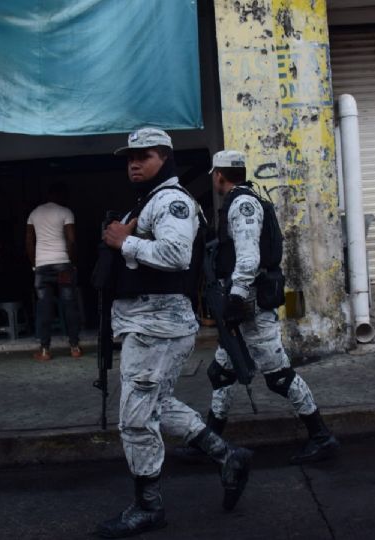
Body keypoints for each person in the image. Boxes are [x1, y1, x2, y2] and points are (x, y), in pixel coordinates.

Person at [95, 128, 254, 538]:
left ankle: (148, 506)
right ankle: (228, 456)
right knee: (157, 404)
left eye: (142, 156)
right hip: (149, 323)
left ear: (164, 157)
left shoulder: (172, 201)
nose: (133, 163)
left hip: (157, 326)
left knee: (134, 421)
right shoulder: (149, 201)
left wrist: (122, 243)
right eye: (129, 157)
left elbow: (174, 255)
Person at [205, 150, 340, 464]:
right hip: (243, 302)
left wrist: (236, 297)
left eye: (214, 175)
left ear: (220, 175)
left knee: (279, 375)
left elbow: (249, 256)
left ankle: (321, 436)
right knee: (223, 372)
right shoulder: (246, 199)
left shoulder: (242, 204)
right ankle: (208, 441)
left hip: (249, 304)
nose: (214, 179)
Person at [26, 182, 82, 360]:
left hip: (42, 266)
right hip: (62, 265)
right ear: (60, 196)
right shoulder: (65, 212)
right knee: (69, 305)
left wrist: (35, 265)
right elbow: (71, 240)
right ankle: (74, 348)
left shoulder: (34, 213)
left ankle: (45, 350)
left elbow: (28, 242)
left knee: (44, 307)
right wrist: (71, 263)